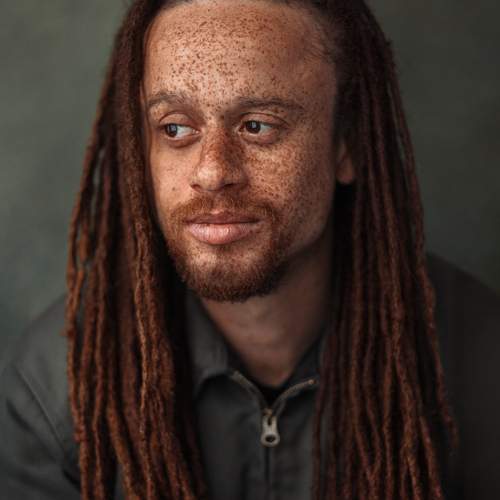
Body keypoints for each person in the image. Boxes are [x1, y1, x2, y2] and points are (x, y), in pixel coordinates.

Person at [1, 0, 499, 498]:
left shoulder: (481, 364)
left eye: (257, 125)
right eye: (175, 128)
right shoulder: (55, 389)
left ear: (347, 142)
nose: (212, 172)